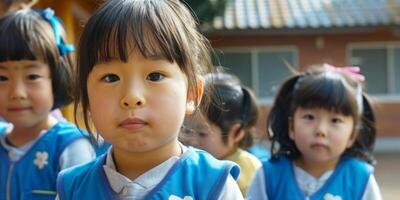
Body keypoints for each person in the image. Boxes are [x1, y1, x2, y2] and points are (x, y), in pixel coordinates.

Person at [56, 0, 242, 199]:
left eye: (154, 76)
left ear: (191, 94)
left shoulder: (213, 184)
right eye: (111, 78)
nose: (132, 97)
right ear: (86, 97)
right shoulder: (72, 188)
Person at [247, 64, 382, 200]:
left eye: (335, 120)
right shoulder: (268, 175)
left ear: (353, 134)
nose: (321, 131)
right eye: (309, 117)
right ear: (291, 127)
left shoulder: (360, 178)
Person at [0, 8, 95, 199]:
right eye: (2, 77)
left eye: (32, 76)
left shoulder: (71, 146)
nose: (17, 93)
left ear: (57, 78)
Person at [182, 72, 261, 195]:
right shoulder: (187, 161)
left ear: (236, 133)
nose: (192, 140)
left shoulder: (247, 169)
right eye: (186, 130)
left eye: (202, 133)